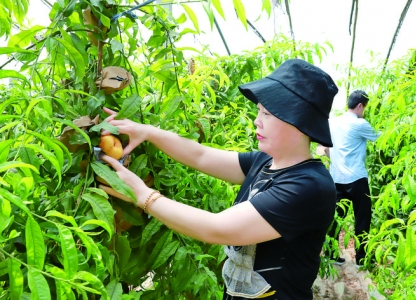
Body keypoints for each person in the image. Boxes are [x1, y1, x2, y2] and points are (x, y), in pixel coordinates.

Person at [99, 59, 338, 299]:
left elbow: (217, 228)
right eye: (258, 111)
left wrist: (143, 196)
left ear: (298, 122)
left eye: (267, 113)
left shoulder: (309, 186)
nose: (257, 120)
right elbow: (201, 156)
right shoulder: (265, 161)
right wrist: (149, 132)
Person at [323, 90, 380, 267]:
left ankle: (332, 256)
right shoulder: (360, 123)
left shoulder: (332, 122)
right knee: (362, 218)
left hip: (336, 178)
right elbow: (381, 138)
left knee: (335, 218)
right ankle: (361, 259)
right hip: (357, 179)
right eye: (364, 108)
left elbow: (325, 148)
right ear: (360, 105)